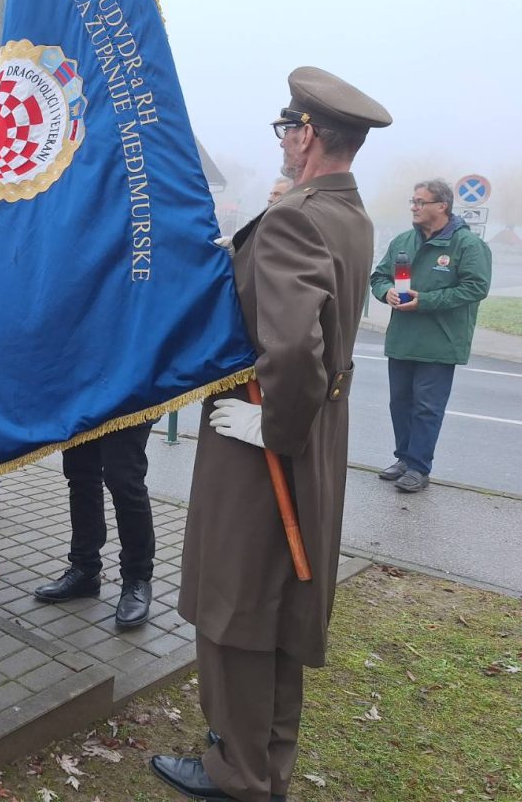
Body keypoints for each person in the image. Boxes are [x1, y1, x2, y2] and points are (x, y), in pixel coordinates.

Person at [151, 67, 391, 802]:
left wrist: (272, 425)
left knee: (237, 609)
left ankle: (237, 774)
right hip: (311, 434)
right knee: (279, 607)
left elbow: (292, 349)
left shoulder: (296, 217)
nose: (284, 142)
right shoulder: (349, 213)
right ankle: (266, 765)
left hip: (266, 442)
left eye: (286, 129)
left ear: (308, 133)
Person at [369, 178, 491, 493]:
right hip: (402, 339)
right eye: (413, 201)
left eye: (420, 202)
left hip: (440, 341)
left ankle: (419, 467)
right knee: (400, 403)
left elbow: (476, 287)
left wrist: (426, 301)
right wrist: (387, 294)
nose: (414, 206)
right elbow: (379, 276)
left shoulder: (467, 245)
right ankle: (404, 459)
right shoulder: (403, 241)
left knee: (426, 406)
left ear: (442, 205)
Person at [33, 423, 155, 628]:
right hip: (81, 393)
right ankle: (84, 568)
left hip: (128, 396)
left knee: (124, 478)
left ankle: (137, 578)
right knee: (80, 475)